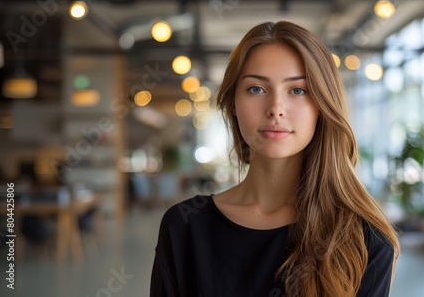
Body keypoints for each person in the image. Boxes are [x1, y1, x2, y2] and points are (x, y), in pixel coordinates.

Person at [150, 21, 400, 297]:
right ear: (233, 104)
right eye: (256, 89)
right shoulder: (184, 226)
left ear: (323, 106)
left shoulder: (363, 239)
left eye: (297, 90)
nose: (275, 110)